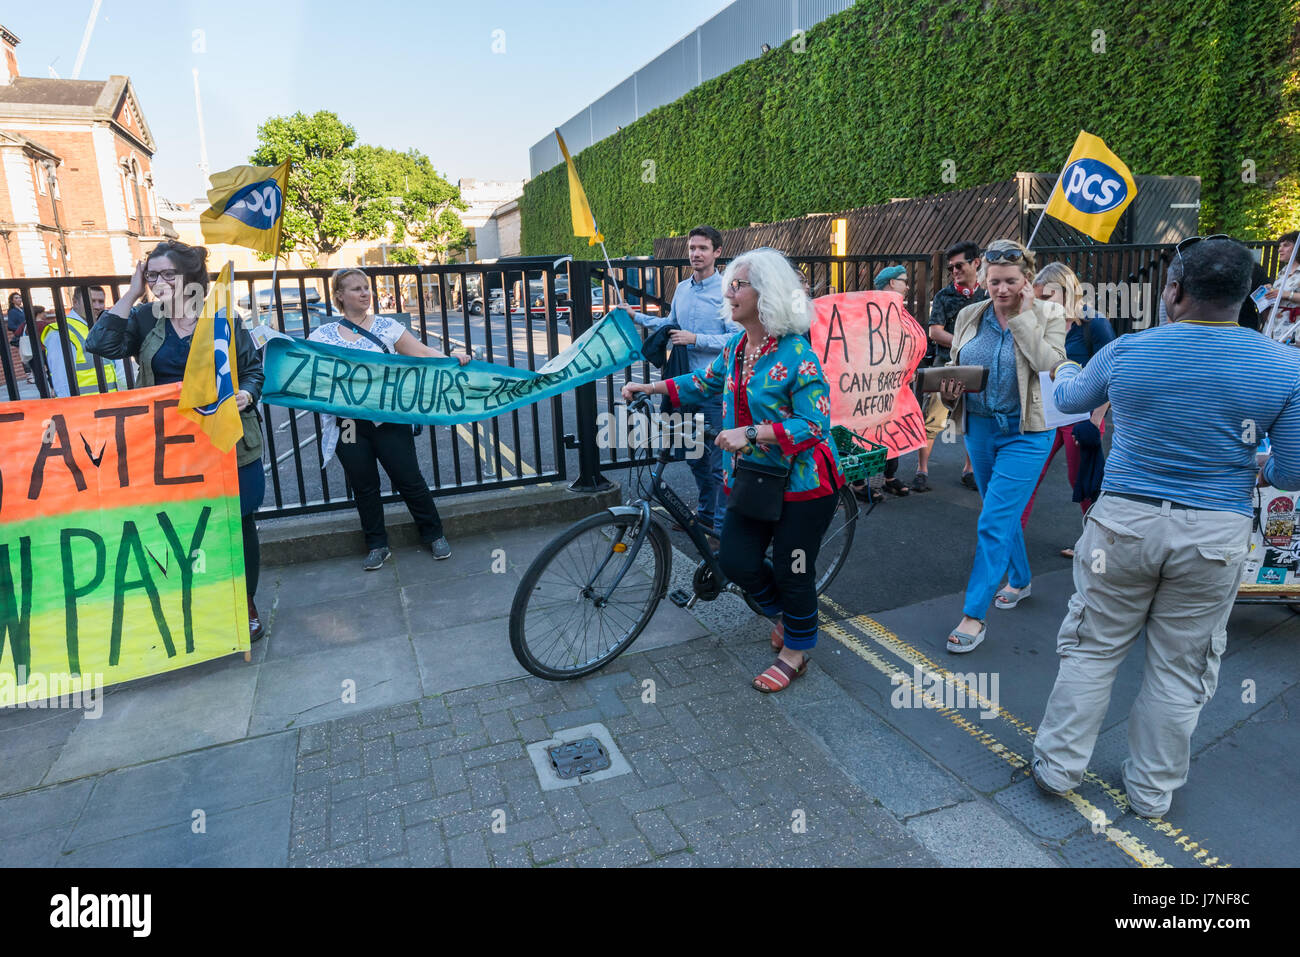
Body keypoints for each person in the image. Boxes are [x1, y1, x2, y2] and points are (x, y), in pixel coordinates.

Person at [1032, 236, 1300, 819]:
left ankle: (1057, 766)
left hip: (1123, 524)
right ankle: (1150, 791)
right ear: (1244, 295)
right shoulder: (1286, 366)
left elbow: (1074, 395)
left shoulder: (1130, 351)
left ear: (1174, 291)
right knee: (1181, 667)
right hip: (1214, 535)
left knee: (1093, 649)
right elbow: (1293, 472)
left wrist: (1069, 360)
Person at [621, 247, 844, 693]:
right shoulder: (740, 346)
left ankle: (796, 652)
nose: (729, 291)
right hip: (753, 479)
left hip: (804, 484)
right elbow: (703, 381)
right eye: (731, 285)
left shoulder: (797, 355)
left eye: (739, 285)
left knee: (793, 568)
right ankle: (785, 616)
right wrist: (652, 384)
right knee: (737, 560)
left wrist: (754, 433)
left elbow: (816, 425)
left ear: (768, 295)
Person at [85, 240, 269, 642]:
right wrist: (133, 292)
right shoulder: (145, 319)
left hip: (228, 443)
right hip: (169, 447)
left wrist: (247, 394)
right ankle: (198, 600)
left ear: (190, 277)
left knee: (239, 523)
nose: (160, 282)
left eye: (168, 274)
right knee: (182, 527)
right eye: (153, 275)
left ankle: (246, 600)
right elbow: (100, 344)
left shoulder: (221, 318)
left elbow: (254, 370)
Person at [937, 239, 1067, 653]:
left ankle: (973, 615)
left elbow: (1051, 366)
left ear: (1027, 280)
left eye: (1011, 281)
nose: (1002, 290)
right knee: (999, 510)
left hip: (1027, 432)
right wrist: (950, 392)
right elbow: (958, 366)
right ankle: (1022, 578)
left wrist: (1024, 318)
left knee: (993, 520)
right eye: (994, 282)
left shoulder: (1049, 313)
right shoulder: (969, 314)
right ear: (984, 279)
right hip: (979, 427)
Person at [310, 268, 471, 570]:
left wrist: (452, 359)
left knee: (409, 478)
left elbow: (421, 353)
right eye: (356, 289)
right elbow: (310, 374)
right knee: (364, 486)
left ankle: (433, 534)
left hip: (389, 419)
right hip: (347, 425)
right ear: (339, 296)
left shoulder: (386, 327)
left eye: (366, 288)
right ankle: (377, 545)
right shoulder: (321, 336)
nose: (364, 293)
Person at [625, 225, 740, 539]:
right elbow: (668, 324)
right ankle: (704, 517)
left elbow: (736, 338)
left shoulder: (727, 291)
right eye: (692, 248)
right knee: (694, 456)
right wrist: (635, 316)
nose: (696, 254)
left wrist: (695, 339)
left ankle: (719, 530)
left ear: (717, 252)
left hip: (714, 387)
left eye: (702, 248)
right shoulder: (682, 289)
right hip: (684, 385)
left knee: (718, 461)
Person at [1020, 262, 1115, 556]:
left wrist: (1094, 419)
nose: (1041, 304)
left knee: (1083, 481)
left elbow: (1112, 372)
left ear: (1067, 291)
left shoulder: (1094, 324)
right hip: (1044, 415)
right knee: (1027, 478)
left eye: (1046, 297)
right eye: (1037, 298)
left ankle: (1096, 546)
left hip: (1080, 416)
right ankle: (1005, 547)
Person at [923, 241, 989, 492]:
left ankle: (970, 470)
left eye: (959, 266)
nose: (955, 272)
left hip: (980, 366)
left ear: (976, 263)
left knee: (975, 418)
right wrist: (965, 345)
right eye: (951, 268)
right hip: (947, 363)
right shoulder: (944, 296)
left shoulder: (989, 295)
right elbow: (935, 332)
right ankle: (921, 469)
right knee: (933, 417)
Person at [870, 265, 911, 497]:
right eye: (904, 281)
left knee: (891, 428)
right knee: (865, 432)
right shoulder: (870, 308)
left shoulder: (899, 310)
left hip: (892, 382)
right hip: (869, 382)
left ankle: (889, 477)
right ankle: (857, 484)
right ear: (893, 283)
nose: (907, 286)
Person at [40, 286, 120, 397]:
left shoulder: (97, 328)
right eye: (91, 301)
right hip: (84, 409)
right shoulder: (61, 331)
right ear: (75, 302)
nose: (97, 306)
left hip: (108, 405)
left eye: (101, 302)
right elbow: (62, 381)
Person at [6, 291, 34, 384]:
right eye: (16, 298)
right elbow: (10, 326)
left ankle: (35, 374)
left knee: (32, 355)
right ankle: (29, 377)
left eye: (20, 297)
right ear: (12, 301)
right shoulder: (12, 311)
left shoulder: (23, 309)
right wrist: (21, 329)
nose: (19, 299)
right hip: (21, 337)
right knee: (25, 355)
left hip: (29, 335)